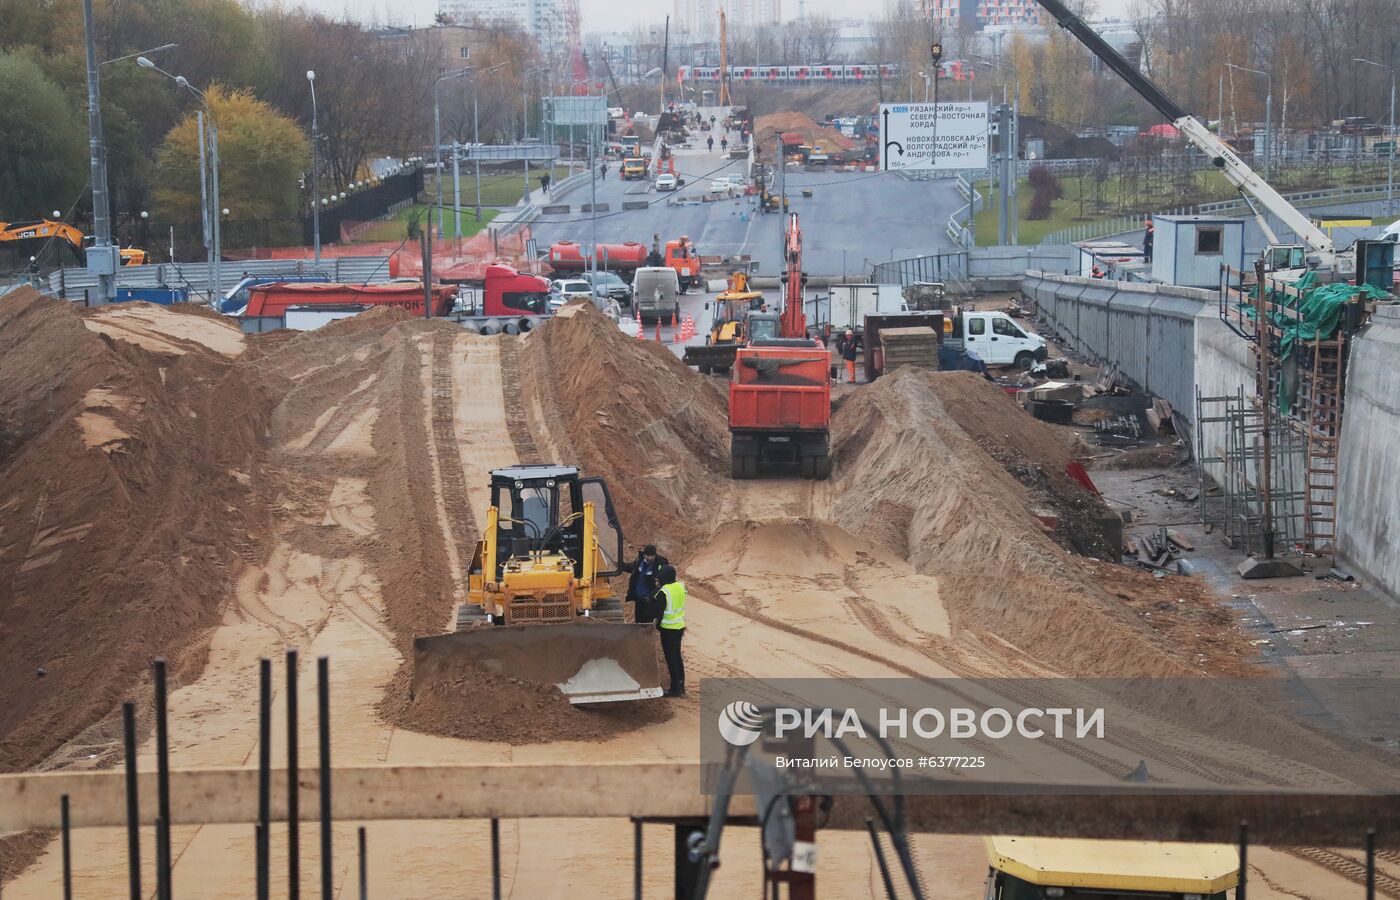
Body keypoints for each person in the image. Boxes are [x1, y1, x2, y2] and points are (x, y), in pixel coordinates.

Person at [654, 565, 686, 697]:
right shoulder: (680, 586)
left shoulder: (663, 592)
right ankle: (681, 685)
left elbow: (659, 613)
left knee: (671, 659)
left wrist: (658, 626)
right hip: (679, 627)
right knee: (677, 657)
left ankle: (675, 689)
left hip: (668, 630)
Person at [621, 544, 668, 623]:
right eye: (647, 555)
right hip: (639, 598)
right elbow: (632, 568)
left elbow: (665, 579)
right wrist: (621, 565)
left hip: (651, 600)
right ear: (644, 554)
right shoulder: (639, 561)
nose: (650, 558)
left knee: (648, 622)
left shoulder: (660, 564)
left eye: (652, 555)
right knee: (639, 621)